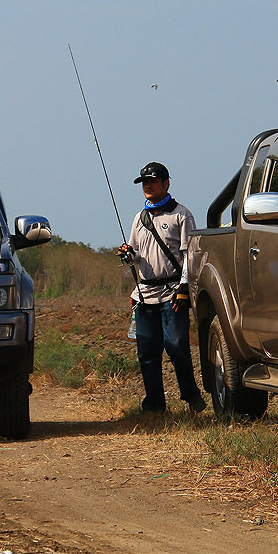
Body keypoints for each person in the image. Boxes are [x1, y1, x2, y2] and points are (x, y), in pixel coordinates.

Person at [117, 162, 206, 413]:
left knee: (177, 345)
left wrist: (184, 287)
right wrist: (127, 254)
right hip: (144, 295)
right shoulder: (139, 217)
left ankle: (191, 395)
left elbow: (190, 255)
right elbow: (135, 254)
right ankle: (154, 405)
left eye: (153, 181)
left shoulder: (182, 215)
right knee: (147, 352)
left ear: (166, 184)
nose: (147, 185)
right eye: (144, 182)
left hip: (172, 293)